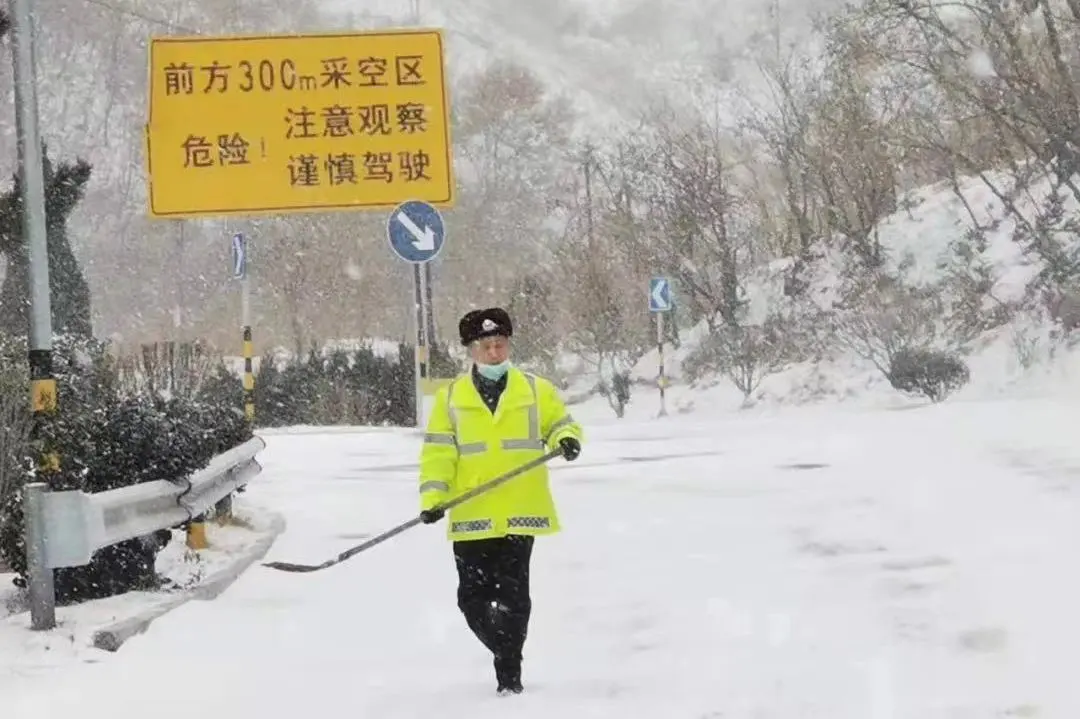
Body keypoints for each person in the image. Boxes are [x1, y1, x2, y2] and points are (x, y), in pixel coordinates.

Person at [417, 306, 583, 696]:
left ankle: (509, 671)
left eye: (500, 344)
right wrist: (433, 498)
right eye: (486, 346)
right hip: (472, 512)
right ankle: (505, 648)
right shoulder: (451, 398)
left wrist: (567, 440)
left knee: (513, 596)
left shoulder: (535, 389)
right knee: (471, 599)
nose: (494, 353)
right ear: (471, 351)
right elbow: (439, 453)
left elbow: (561, 423)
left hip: (519, 510)